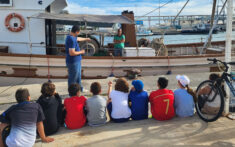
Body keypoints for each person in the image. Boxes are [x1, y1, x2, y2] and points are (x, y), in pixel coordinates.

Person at [65, 25, 91, 91]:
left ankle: (80, 89)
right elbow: (71, 52)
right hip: (73, 62)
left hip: (77, 61)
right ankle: (71, 93)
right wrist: (81, 52)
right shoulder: (71, 39)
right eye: (79, 32)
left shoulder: (71, 36)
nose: (79, 33)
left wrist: (86, 39)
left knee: (78, 76)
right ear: (76, 32)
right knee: (72, 78)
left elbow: (78, 38)